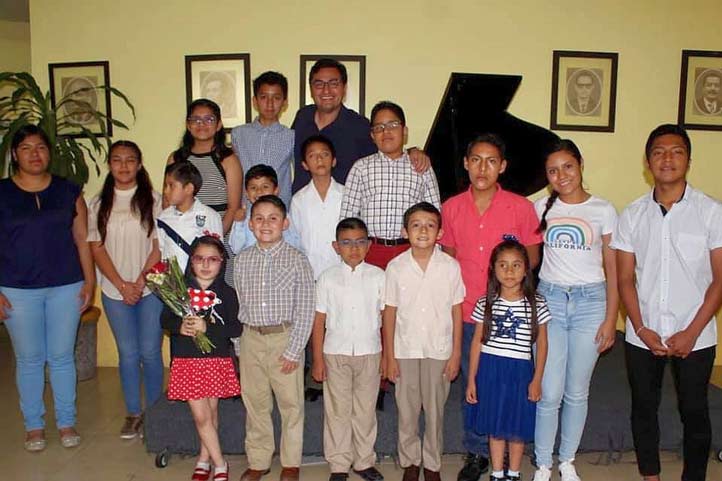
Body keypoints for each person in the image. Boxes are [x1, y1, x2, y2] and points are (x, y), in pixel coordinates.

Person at [612, 124, 722, 481]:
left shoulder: (711, 212)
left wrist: (691, 332)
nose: (667, 159)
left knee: (695, 411)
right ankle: (651, 477)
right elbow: (625, 279)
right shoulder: (632, 214)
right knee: (644, 408)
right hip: (643, 331)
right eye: (658, 152)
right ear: (648, 162)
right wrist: (641, 327)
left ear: (688, 159)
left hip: (696, 332)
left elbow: (720, 279)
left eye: (676, 151)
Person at [439, 133, 542, 481]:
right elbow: (449, 260)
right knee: (474, 386)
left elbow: (531, 257)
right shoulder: (451, 208)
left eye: (491, 161)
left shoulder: (521, 208)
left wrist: (511, 292)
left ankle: (508, 447)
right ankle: (476, 452)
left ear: (503, 167)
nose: (483, 168)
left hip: (509, 314)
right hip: (469, 311)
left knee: (508, 385)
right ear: (465, 164)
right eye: (476, 160)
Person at [0, 124, 95, 451]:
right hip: (16, 289)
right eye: (26, 148)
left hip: (66, 285)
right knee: (29, 359)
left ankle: (66, 422)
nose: (34, 154)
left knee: (61, 356)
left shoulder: (69, 191)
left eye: (40, 147)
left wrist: (90, 281)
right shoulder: (2, 192)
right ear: (15, 155)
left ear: (49, 153)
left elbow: (82, 240)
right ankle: (34, 426)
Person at [532, 140, 618, 481]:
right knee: (549, 391)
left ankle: (567, 460)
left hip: (591, 303)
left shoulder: (604, 209)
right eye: (553, 170)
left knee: (577, 391)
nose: (561, 175)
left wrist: (611, 318)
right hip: (549, 301)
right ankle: (542, 464)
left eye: (568, 166)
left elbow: (613, 269)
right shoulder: (540, 207)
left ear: (580, 164)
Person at [233, 195, 315, 481]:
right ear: (250, 224)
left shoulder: (297, 260)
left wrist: (294, 350)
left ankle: (291, 462)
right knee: (255, 403)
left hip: (284, 338)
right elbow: (239, 304)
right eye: (259, 218)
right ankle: (259, 460)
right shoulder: (242, 260)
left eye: (273, 218)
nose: (265, 224)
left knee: (291, 404)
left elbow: (305, 308)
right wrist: (239, 345)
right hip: (251, 338)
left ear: (285, 223)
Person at [87, 140, 164, 440]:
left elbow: (159, 246)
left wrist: (142, 281)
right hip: (114, 289)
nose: (123, 165)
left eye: (130, 159)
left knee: (151, 352)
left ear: (139, 164)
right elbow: (96, 248)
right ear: (109, 164)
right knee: (128, 353)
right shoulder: (98, 203)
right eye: (117, 160)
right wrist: (121, 284)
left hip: (150, 289)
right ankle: (133, 413)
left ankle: (156, 413)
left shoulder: (154, 200)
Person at [384, 202, 464, 481]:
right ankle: (410, 461)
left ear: (439, 233)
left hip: (439, 350)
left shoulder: (450, 267)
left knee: (435, 411)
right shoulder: (395, 267)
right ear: (404, 231)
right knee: (406, 411)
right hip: (405, 349)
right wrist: (389, 356)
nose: (423, 230)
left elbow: (456, 310)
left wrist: (456, 354)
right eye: (416, 225)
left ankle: (432, 463)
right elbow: (389, 312)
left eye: (430, 225)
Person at [466, 239, 550, 481]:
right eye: (503, 265)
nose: (510, 271)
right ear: (493, 269)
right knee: (495, 425)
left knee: (516, 425)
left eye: (516, 265)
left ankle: (513, 473)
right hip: (490, 370)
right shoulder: (485, 303)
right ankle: (496, 472)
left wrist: (537, 379)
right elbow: (476, 342)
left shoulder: (536, 304)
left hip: (520, 371)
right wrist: (472, 379)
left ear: (526, 269)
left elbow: (542, 344)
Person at [161, 235, 241, 481]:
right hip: (187, 361)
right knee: (201, 416)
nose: (206, 265)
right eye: (199, 259)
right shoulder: (179, 290)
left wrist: (208, 328)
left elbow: (235, 329)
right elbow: (165, 320)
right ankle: (220, 464)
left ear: (222, 262)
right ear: (191, 261)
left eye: (213, 259)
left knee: (211, 413)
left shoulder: (227, 293)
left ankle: (203, 460)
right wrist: (179, 326)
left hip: (216, 361)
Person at [311, 217, 385, 481]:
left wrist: (387, 356)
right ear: (336, 246)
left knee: (365, 411)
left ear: (369, 245)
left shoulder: (379, 276)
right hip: (335, 352)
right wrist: (317, 359)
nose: (354, 248)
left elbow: (387, 317)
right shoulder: (327, 278)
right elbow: (319, 320)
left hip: (370, 351)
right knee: (338, 411)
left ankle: (364, 461)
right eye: (346, 243)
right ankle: (339, 464)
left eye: (360, 242)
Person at [292, 58, 431, 192]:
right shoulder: (302, 117)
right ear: (311, 89)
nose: (326, 90)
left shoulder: (359, 126)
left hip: (345, 206)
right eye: (319, 84)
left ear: (344, 88)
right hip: (300, 204)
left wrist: (412, 151)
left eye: (333, 84)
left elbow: (387, 153)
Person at [340, 101, 441, 269]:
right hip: (370, 252)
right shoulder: (361, 168)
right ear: (372, 135)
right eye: (379, 127)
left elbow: (435, 213)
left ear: (404, 131)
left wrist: (435, 257)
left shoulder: (421, 166)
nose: (385, 132)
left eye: (392, 125)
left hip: (410, 252)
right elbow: (347, 216)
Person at [168, 98, 242, 284]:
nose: (202, 124)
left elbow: (233, 207)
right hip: (182, 239)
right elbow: (168, 204)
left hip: (219, 235)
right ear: (188, 124)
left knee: (218, 294)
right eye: (196, 119)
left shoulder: (228, 159)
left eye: (209, 119)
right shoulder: (176, 158)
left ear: (219, 125)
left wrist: (212, 244)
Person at [231, 71, 294, 206]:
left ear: (285, 102)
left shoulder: (291, 136)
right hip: (247, 210)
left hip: (279, 211)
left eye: (276, 98)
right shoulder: (238, 134)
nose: (270, 104)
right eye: (264, 97)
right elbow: (233, 176)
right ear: (255, 101)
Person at [291, 135, 343, 279]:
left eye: (325, 154)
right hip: (309, 271)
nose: (319, 159)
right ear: (305, 165)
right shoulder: (298, 200)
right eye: (312, 155)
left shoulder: (347, 194)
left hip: (340, 268)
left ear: (333, 161)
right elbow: (295, 239)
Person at [157, 161, 223, 270]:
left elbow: (217, 254)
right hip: (172, 279)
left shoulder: (210, 216)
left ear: (189, 189)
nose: (166, 191)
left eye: (171, 186)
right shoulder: (163, 218)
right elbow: (161, 251)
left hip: (200, 278)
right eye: (165, 186)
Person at [228, 164, 301, 254]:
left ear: (276, 191)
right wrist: (239, 223)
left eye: (265, 187)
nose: (259, 191)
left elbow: (295, 243)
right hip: (251, 261)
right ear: (246, 193)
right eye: (253, 187)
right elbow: (236, 248)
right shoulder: (244, 217)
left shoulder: (283, 216)